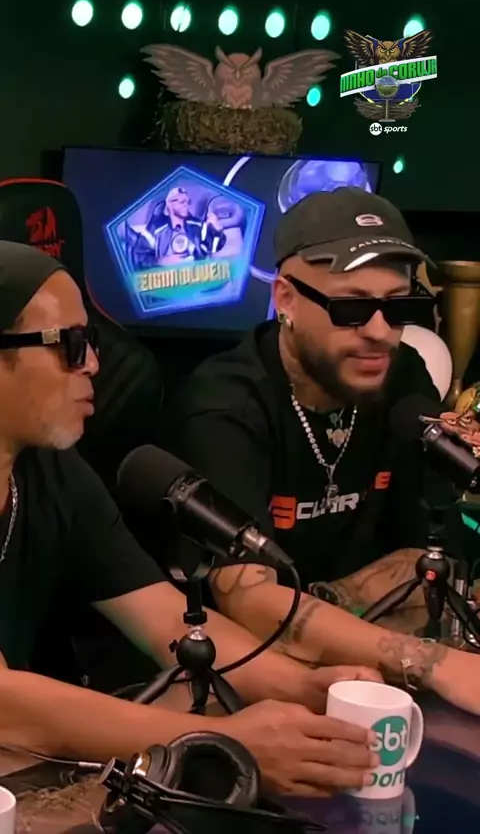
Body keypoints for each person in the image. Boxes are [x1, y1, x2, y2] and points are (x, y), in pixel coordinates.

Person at [0, 239, 388, 798]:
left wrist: (304, 687)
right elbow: (5, 703)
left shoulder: (52, 470)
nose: (94, 364)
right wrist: (225, 741)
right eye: (71, 344)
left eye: (93, 342)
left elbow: (165, 617)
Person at [160, 187, 480, 715]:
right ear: (286, 299)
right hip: (235, 683)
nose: (379, 332)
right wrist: (430, 662)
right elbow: (247, 599)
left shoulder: (400, 377)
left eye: (400, 307)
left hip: (365, 674)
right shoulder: (223, 406)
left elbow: (427, 558)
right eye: (351, 308)